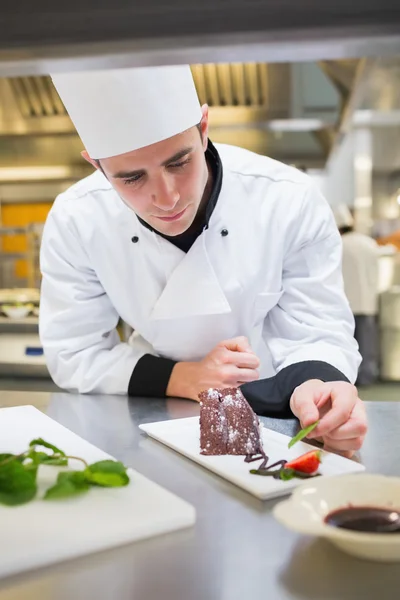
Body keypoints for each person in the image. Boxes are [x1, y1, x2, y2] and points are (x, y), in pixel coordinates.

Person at [39, 65, 367, 456]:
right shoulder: (77, 218)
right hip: (149, 409)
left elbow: (317, 326)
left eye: (178, 162)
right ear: (96, 164)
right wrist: (185, 377)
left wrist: (321, 383)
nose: (167, 198)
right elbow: (74, 351)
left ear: (204, 127)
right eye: (132, 178)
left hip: (280, 409)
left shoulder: (287, 198)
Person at [333, 204, 380, 386]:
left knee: (348, 343)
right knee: (368, 343)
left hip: (346, 301)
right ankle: (368, 376)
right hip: (368, 300)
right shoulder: (369, 242)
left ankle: (348, 378)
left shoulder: (339, 244)